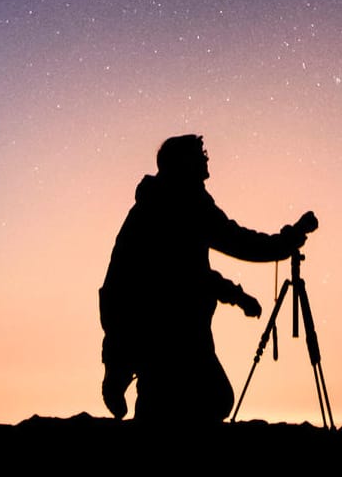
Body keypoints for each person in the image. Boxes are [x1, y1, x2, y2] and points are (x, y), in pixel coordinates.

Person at [99, 134, 317, 423]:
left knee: (188, 399)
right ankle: (123, 368)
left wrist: (238, 296)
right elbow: (239, 243)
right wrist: (288, 240)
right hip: (164, 325)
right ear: (184, 163)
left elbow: (189, 274)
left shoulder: (160, 201)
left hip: (155, 324)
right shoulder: (183, 202)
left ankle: (123, 368)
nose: (207, 159)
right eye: (200, 154)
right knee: (205, 400)